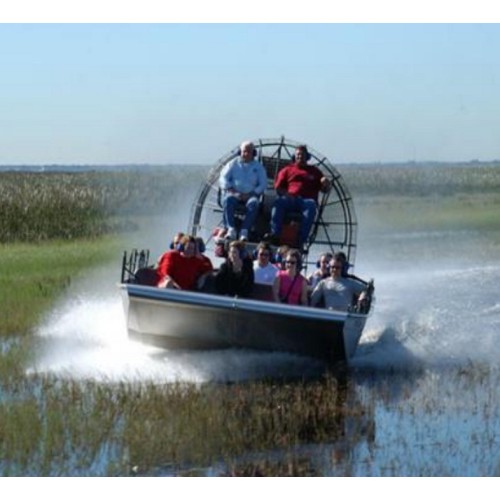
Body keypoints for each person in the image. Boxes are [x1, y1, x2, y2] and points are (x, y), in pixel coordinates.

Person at [266, 145, 331, 248]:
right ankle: (275, 234)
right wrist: (287, 194)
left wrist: (326, 184)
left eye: (302, 155)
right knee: (278, 203)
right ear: (294, 156)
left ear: (307, 157)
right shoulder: (287, 170)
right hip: (290, 199)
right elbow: (278, 187)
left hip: (306, 201)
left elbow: (325, 190)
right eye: (298, 155)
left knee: (311, 206)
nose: (300, 157)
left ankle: (301, 239)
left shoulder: (315, 171)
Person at [219, 140, 268, 241]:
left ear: (253, 153)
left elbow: (263, 184)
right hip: (234, 193)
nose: (246, 154)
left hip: (251, 195)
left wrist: (253, 193)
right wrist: (231, 189)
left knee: (254, 204)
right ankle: (231, 229)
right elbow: (223, 178)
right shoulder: (232, 164)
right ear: (240, 152)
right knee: (228, 200)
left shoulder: (258, 167)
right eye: (244, 151)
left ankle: (244, 231)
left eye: (249, 151)